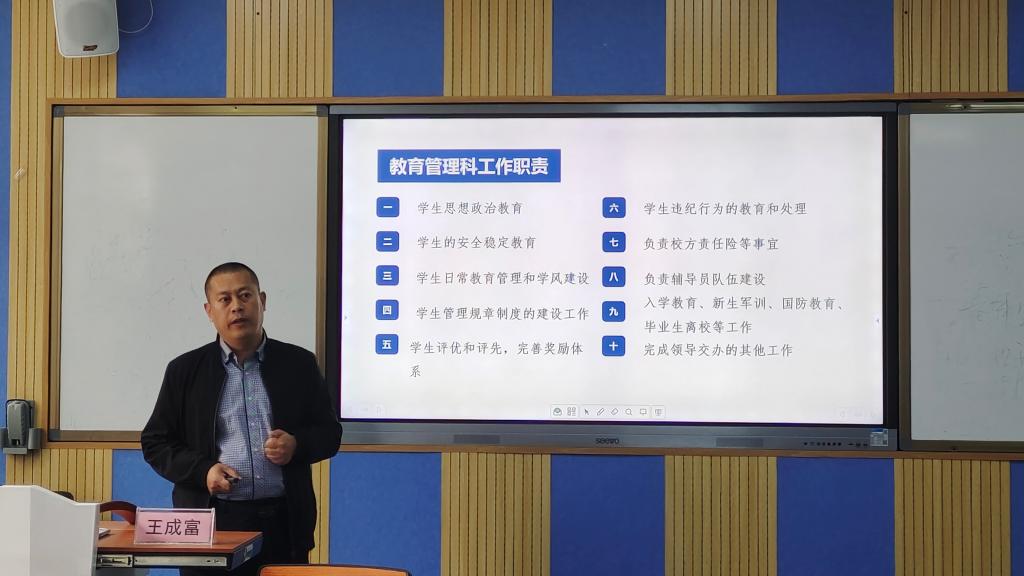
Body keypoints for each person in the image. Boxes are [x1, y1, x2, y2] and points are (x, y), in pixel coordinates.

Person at [141, 262, 341, 576]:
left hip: (283, 523)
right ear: (209, 311)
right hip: (211, 524)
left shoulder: (299, 364)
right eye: (225, 299)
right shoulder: (184, 370)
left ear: (262, 301)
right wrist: (204, 470)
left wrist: (296, 444)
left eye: (245, 295)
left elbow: (329, 433)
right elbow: (156, 443)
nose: (236, 306)